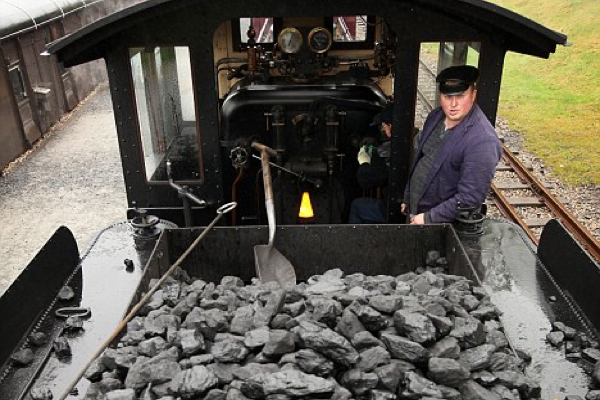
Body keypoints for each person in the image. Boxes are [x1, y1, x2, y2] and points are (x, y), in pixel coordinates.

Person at [401, 65, 501, 224]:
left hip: (441, 226)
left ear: (473, 95)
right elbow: (420, 159)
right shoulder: (435, 117)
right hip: (416, 212)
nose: (453, 104)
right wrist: (408, 197)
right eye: (447, 97)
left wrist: (428, 218)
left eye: (460, 96)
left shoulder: (482, 141)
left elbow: (470, 198)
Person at [348, 103, 393, 224]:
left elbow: (365, 181)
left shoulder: (387, 153)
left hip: (392, 210)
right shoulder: (415, 139)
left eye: (383, 127)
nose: (383, 130)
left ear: (389, 126)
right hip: (408, 203)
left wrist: (364, 162)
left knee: (357, 206)